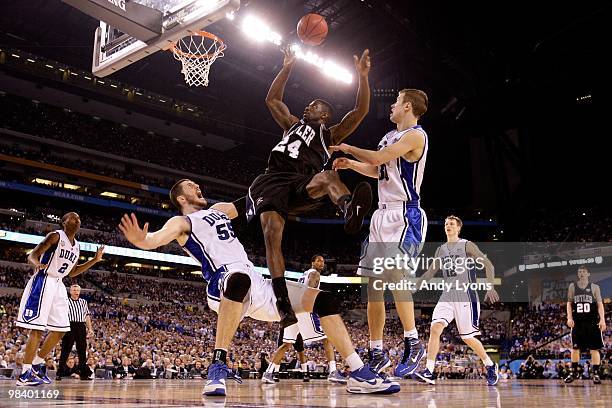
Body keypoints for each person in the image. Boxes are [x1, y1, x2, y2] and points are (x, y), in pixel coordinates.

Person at [119, 179, 398, 396]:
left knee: (325, 301)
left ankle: (359, 372)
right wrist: (140, 241)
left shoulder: (218, 211)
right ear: (181, 198)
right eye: (192, 187)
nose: (198, 187)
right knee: (239, 278)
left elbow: (250, 200)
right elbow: (154, 240)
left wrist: (277, 181)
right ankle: (217, 367)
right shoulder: (181, 222)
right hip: (223, 282)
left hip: (258, 284)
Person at [246, 47, 373, 327]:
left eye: (313, 106)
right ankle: (282, 303)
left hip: (302, 183)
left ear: (324, 115)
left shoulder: (329, 134)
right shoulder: (291, 123)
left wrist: (362, 77)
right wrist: (287, 67)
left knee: (328, 177)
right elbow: (272, 99)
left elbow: (360, 111)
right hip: (273, 180)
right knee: (271, 234)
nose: (307, 107)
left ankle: (349, 209)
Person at [331, 88, 429, 376]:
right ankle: (376, 351)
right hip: (381, 214)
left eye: (396, 102)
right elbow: (379, 171)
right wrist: (351, 165)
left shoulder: (416, 135)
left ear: (408, 106)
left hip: (404, 214)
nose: (391, 107)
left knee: (396, 275)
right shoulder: (388, 137)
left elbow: (377, 158)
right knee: (373, 284)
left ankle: (413, 342)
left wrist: (348, 149)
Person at [15, 212, 104, 386]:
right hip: (44, 280)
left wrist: (94, 260)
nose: (76, 219)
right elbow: (32, 255)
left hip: (58, 284)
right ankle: (25, 374)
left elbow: (72, 272)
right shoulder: (55, 236)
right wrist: (37, 264)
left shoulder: (77, 246)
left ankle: (37, 363)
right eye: (72, 217)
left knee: (61, 329)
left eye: (78, 218)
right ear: (64, 222)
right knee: (37, 329)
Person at [412, 215, 500, 385]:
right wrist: (416, 286)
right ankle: (429, 371)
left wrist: (490, 287)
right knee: (435, 328)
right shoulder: (440, 250)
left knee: (467, 337)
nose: (448, 226)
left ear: (458, 228)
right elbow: (430, 273)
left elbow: (489, 265)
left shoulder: (467, 245)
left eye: (452, 224)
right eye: (446, 223)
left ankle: (489, 365)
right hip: (447, 295)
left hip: (466, 294)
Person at [262, 255, 346, 384]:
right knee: (327, 338)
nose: (321, 263)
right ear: (312, 262)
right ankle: (333, 372)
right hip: (305, 311)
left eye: (323, 261)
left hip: (295, 311)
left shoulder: (303, 275)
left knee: (286, 344)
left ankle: (268, 372)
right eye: (318, 260)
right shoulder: (315, 274)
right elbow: (310, 291)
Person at [564, 266, 606, 384]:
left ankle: (596, 374)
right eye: (579, 272)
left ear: (588, 274)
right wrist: (569, 317)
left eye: (583, 272)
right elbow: (569, 304)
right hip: (578, 323)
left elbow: (600, 304)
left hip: (592, 322)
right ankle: (574, 372)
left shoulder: (594, 287)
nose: (581, 273)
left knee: (594, 349)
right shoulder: (572, 287)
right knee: (575, 348)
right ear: (578, 274)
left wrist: (602, 319)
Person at [57, 284, 94, 381]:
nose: (76, 291)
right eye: (74, 290)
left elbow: (87, 316)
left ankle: (83, 374)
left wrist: (90, 329)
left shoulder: (83, 302)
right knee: (65, 350)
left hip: (81, 326)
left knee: (82, 351)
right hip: (69, 325)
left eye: (77, 290)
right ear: (70, 292)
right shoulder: (66, 302)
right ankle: (60, 373)